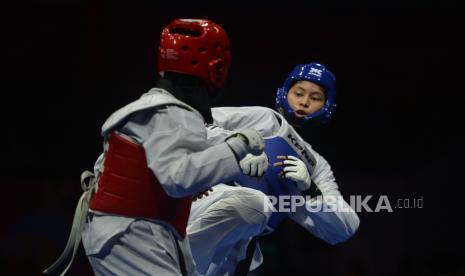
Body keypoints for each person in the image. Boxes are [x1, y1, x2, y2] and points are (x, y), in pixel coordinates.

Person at [44, 18, 268, 276]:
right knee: (251, 204)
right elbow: (179, 178)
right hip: (130, 233)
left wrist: (233, 156)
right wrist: (238, 147)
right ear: (217, 69)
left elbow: (116, 169)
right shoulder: (173, 114)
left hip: (135, 231)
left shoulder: (152, 109)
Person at [187, 63, 360, 275]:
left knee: (256, 211)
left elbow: (345, 229)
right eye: (298, 93)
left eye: (315, 98)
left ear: (327, 105)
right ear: (285, 93)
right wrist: (236, 148)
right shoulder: (267, 118)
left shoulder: (316, 166)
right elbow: (191, 123)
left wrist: (310, 190)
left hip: (239, 247)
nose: (304, 102)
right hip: (204, 206)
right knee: (255, 205)